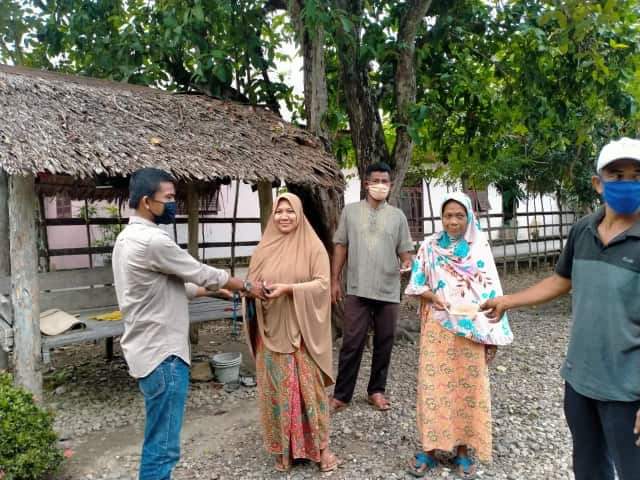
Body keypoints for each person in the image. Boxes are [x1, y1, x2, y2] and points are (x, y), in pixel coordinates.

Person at [482, 137, 640, 480]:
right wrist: (509, 300)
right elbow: (561, 280)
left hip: (628, 390)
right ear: (598, 183)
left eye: (637, 174)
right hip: (580, 380)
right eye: (617, 175)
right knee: (588, 468)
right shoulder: (583, 229)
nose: (628, 182)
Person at [112, 168, 265, 480]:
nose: (172, 204)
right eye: (167, 198)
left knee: (158, 440)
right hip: (163, 356)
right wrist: (246, 286)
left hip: (145, 351)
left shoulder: (127, 238)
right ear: (146, 201)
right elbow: (201, 271)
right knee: (164, 448)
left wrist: (211, 291)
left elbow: (167, 286)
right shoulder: (152, 241)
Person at [405, 192, 512, 478]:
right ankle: (429, 449)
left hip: (471, 329)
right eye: (447, 215)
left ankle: (462, 451)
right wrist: (433, 297)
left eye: (459, 215)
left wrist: (491, 336)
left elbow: (491, 291)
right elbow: (417, 284)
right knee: (433, 387)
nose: (452, 221)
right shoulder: (428, 247)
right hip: (438, 327)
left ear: (469, 217)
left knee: (467, 386)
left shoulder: (479, 248)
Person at [244, 193, 339, 473]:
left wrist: (289, 290)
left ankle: (321, 449)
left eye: (290, 212)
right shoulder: (263, 249)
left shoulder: (314, 247)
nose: (284, 217)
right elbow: (250, 286)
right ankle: (284, 450)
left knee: (310, 392)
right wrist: (254, 292)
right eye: (279, 211)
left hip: (302, 333)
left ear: (299, 214)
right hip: (270, 331)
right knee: (277, 393)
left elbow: (323, 286)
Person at [330, 162, 414, 413]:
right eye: (375, 181)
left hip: (388, 289)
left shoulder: (397, 216)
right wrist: (335, 280)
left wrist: (408, 262)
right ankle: (342, 395)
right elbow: (341, 246)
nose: (380, 185)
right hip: (357, 288)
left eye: (385, 181)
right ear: (366, 183)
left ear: (390, 185)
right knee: (351, 343)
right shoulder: (351, 212)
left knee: (384, 342)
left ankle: (376, 391)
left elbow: (404, 250)